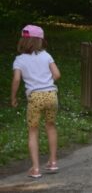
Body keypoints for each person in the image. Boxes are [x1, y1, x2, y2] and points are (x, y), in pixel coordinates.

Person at [10, 25, 60, 179]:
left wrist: (13, 97)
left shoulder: (19, 60)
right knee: (51, 126)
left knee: (33, 130)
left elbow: (17, 79)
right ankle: (53, 162)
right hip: (51, 95)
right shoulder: (46, 55)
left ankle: (36, 169)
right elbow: (57, 74)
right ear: (40, 41)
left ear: (23, 40)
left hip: (35, 98)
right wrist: (46, 83)